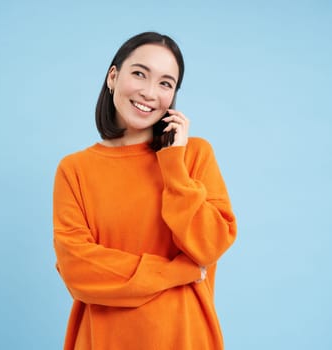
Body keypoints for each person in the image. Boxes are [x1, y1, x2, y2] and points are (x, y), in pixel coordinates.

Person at [52, 31, 237, 349]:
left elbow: (209, 246)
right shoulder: (75, 169)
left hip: (185, 336)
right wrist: (178, 271)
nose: (150, 92)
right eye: (139, 73)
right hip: (103, 340)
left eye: (166, 83)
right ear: (113, 76)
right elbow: (78, 268)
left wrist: (173, 165)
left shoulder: (194, 156)